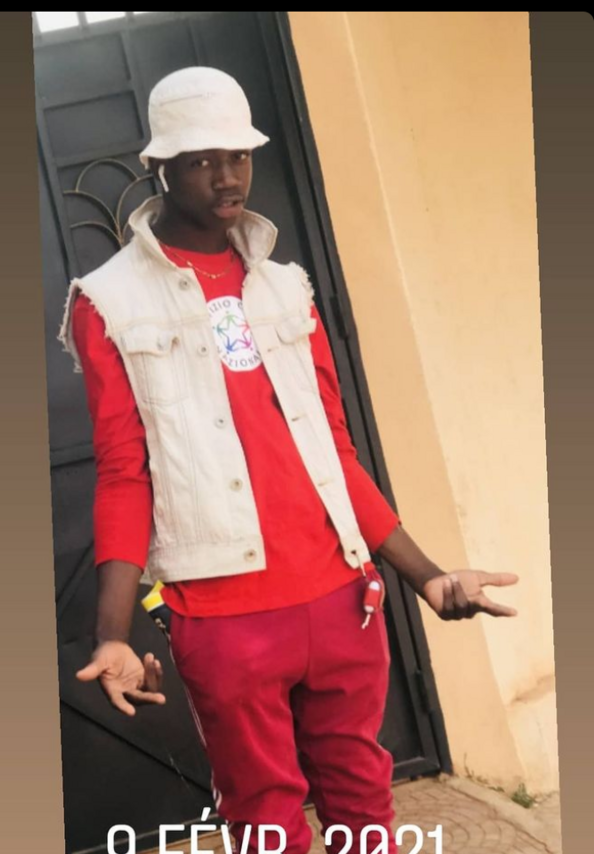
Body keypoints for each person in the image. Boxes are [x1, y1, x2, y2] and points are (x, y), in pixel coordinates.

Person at [58, 66, 519, 854]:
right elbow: (125, 473)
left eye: (238, 156)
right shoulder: (109, 302)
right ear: (161, 167)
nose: (227, 177)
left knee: (363, 805)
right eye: (202, 160)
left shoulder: (284, 287)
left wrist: (428, 577)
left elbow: (333, 450)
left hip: (342, 597)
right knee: (265, 818)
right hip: (225, 614)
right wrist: (113, 633)